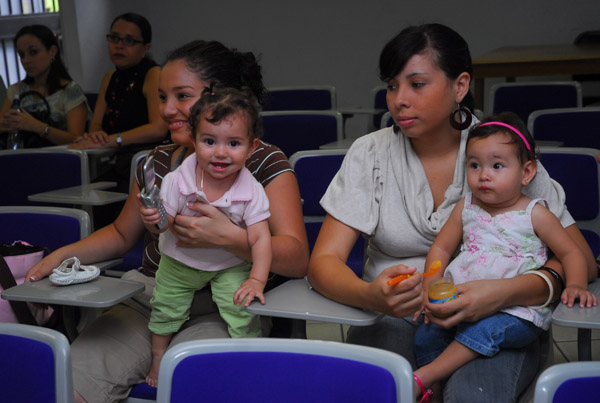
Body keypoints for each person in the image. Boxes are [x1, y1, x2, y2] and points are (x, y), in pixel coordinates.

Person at [307, 23, 597, 402]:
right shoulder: (371, 153)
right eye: (393, 86)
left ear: (460, 86)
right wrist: (371, 296)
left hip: (498, 321)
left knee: (469, 395)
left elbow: (582, 262)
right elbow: (323, 262)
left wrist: (504, 292)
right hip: (395, 317)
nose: (399, 100)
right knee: (376, 390)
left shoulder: (503, 152)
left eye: (417, 84)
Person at [26, 40, 308, 403]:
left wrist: (231, 238)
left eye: (182, 96)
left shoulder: (264, 162)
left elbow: (298, 259)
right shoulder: (157, 161)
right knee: (70, 385)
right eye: (162, 97)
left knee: (193, 384)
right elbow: (119, 233)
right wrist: (58, 257)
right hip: (153, 294)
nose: (168, 109)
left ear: (217, 98)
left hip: (225, 303)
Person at [412, 112, 597, 402]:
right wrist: (429, 286)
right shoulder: (467, 207)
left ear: (526, 172)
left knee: (485, 331)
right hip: (459, 303)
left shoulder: (535, 213)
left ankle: (427, 375)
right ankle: (434, 392)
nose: (484, 175)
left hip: (515, 313)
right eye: (474, 165)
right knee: (425, 334)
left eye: (497, 165)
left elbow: (571, 251)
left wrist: (575, 284)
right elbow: (441, 249)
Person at [141, 87, 272, 386]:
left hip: (229, 263)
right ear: (194, 139)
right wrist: (154, 217)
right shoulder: (178, 180)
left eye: (234, 143)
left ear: (251, 148)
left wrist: (257, 279)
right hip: (179, 261)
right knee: (165, 307)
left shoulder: (252, 191)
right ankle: (159, 356)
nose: (221, 152)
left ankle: (250, 355)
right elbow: (165, 225)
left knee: (242, 309)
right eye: (210, 141)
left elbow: (261, 239)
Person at [70, 12, 168, 194]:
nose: (119, 46)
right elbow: (96, 125)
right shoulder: (110, 78)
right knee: (83, 195)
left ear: (146, 47)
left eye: (129, 40)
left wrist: (112, 140)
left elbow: (158, 129)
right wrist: (98, 135)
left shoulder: (153, 74)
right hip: (115, 161)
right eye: (114, 38)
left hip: (147, 164)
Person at [0, 24, 89, 147]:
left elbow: (77, 139)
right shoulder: (16, 90)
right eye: (21, 55)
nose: (26, 60)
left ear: (52, 51)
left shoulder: (70, 91)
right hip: (22, 159)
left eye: (33, 52)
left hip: (60, 160)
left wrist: (36, 126)